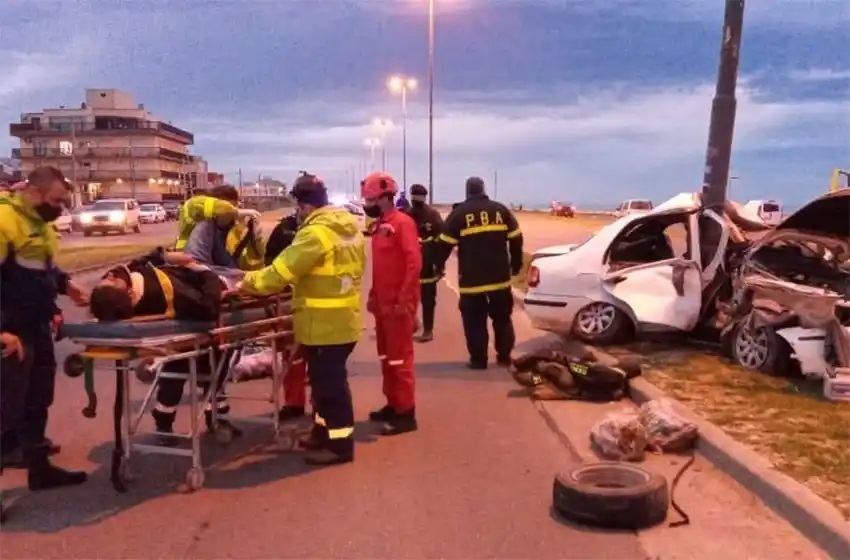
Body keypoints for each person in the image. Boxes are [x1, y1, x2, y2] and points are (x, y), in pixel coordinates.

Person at [230, 172, 365, 466]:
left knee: (331, 388)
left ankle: (340, 446)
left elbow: (280, 272)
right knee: (323, 385)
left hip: (323, 324)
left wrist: (244, 283)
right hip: (342, 320)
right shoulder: (350, 228)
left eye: (299, 207)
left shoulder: (315, 234)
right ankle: (322, 432)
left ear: (304, 206)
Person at [0, 166, 90, 514]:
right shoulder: (5, 221)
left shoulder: (38, 223)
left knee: (38, 399)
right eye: (55, 201)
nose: (60, 208)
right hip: (10, 331)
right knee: (6, 408)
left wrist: (66, 286)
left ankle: (39, 470)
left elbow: (42, 270)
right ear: (34, 193)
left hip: (34, 325)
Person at [88, 246, 244, 440]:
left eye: (106, 278)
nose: (110, 274)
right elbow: (207, 306)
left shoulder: (129, 282)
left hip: (181, 327)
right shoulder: (165, 291)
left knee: (180, 366)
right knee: (213, 363)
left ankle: (167, 419)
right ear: (129, 293)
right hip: (205, 300)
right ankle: (217, 416)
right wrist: (204, 272)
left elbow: (137, 263)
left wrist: (164, 255)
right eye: (111, 280)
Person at [435, 176, 524, 369]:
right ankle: (504, 356)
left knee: (474, 320)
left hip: (471, 280)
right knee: (502, 318)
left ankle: (479, 359)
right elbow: (516, 238)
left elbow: (444, 244)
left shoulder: (459, 214)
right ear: (483, 189)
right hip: (499, 277)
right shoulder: (500, 210)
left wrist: (438, 266)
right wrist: (516, 264)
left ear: (467, 191)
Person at [361, 172, 422, 435]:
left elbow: (414, 264)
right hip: (383, 305)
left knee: (400, 360)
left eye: (371, 200)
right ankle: (393, 403)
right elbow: (381, 269)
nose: (367, 205)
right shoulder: (380, 226)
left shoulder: (402, 224)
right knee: (387, 358)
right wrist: (373, 296)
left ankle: (406, 413)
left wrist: (404, 300)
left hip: (398, 306)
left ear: (386, 198)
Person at [264, 209, 310, 422]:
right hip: (288, 299)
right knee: (292, 355)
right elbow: (270, 260)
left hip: (317, 304)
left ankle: (321, 410)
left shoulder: (321, 231)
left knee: (319, 361)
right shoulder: (284, 229)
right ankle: (294, 403)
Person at [406, 184, 444, 343]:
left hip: (428, 263)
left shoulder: (432, 215)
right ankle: (413, 325)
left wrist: (440, 265)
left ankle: (428, 330)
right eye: (414, 198)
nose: (416, 201)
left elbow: (442, 240)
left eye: (418, 198)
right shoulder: (406, 215)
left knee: (428, 299)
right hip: (409, 264)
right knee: (407, 298)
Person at [174, 184, 260, 250]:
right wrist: (236, 212)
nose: (232, 210)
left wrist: (241, 226)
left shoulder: (222, 221)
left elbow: (231, 249)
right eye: (232, 205)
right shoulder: (194, 204)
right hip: (187, 254)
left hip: (205, 257)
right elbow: (214, 205)